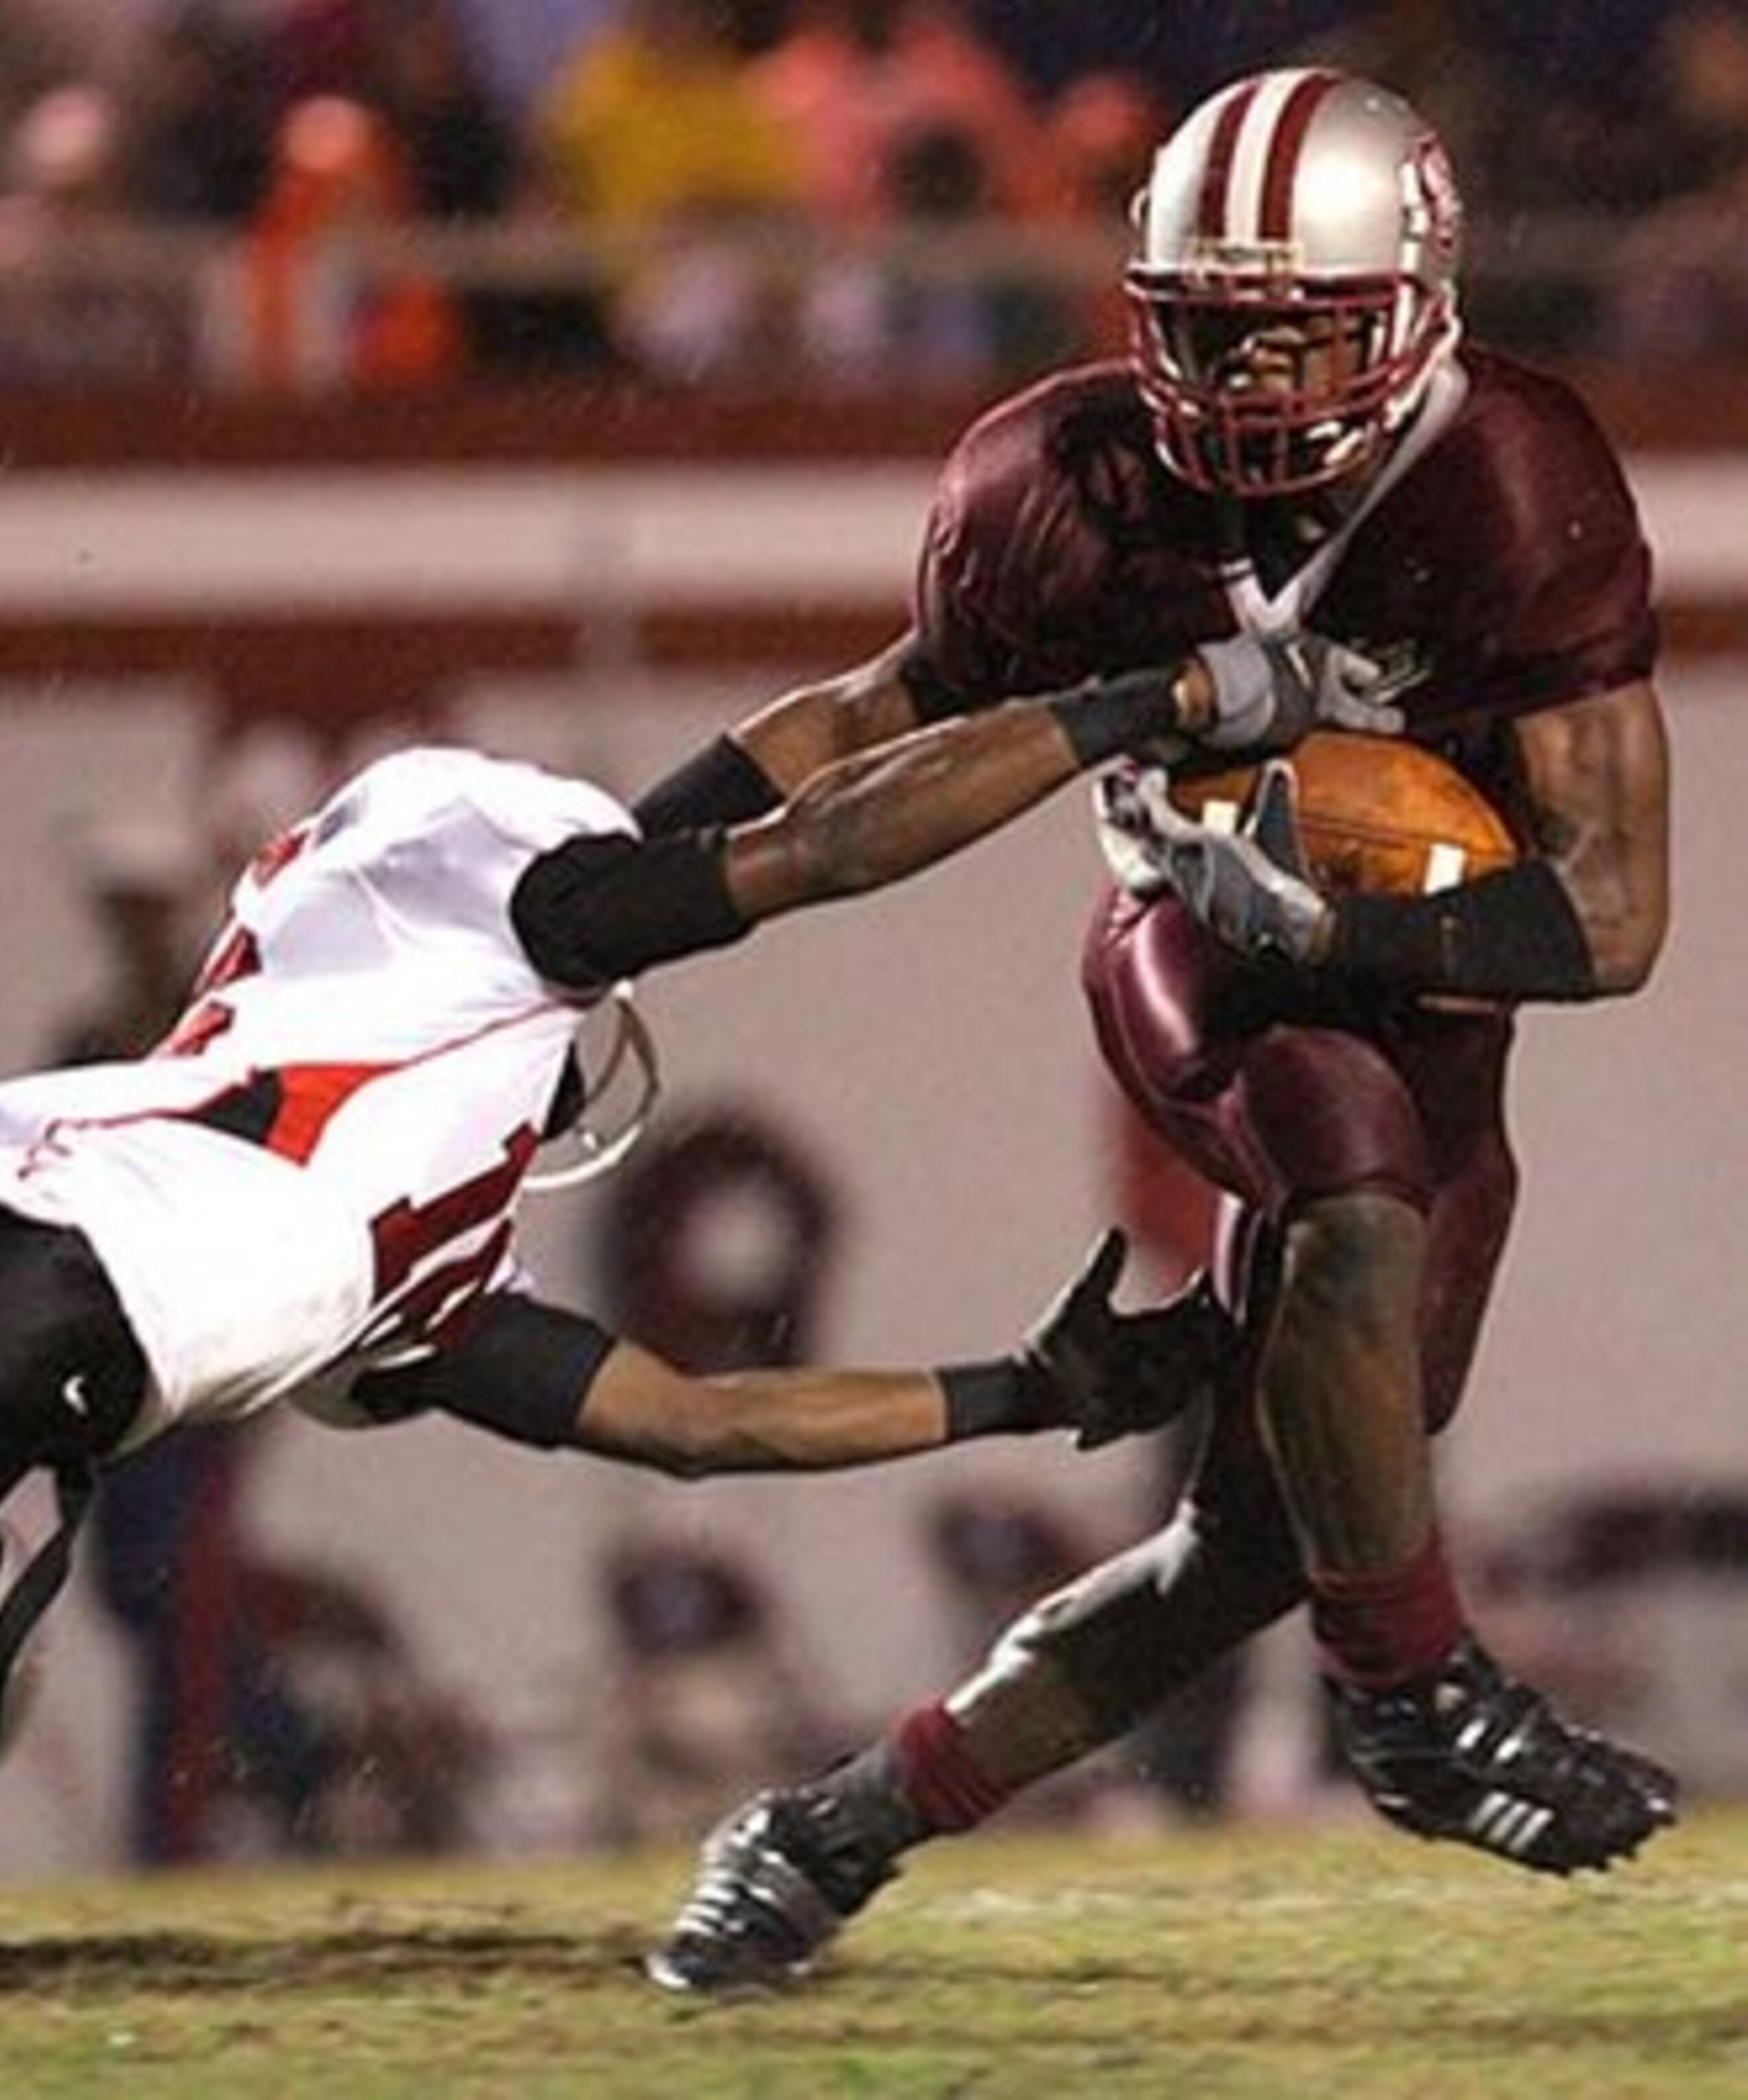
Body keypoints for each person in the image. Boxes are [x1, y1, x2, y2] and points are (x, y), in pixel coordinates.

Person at [0, 633, 1343, 2022]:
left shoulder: (418, 1208)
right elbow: (816, 817)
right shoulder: (515, 919)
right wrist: (1136, 707)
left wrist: (1027, 1390)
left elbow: (694, 1417)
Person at [642, 67, 1679, 1996]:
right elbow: (881, 711)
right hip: (1192, 945)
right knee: (1345, 1177)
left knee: (1256, 1546)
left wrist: (1354, 912)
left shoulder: (1515, 480)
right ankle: (1420, 1699)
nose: (1261, 384)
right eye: (1216, 332)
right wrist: (635, 857)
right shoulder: (1069, 481)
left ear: (1421, 302)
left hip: (1428, 987)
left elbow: (1613, 920)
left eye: (1305, 330)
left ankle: (828, 1829)